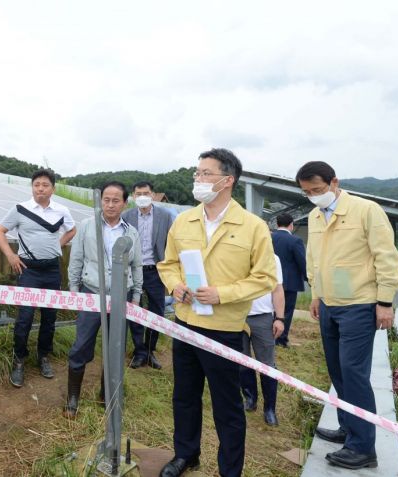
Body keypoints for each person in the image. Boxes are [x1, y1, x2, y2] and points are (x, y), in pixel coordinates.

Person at [157, 148, 276, 477]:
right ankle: (186, 454)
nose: (198, 179)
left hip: (224, 329)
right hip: (185, 323)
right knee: (184, 395)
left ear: (228, 180)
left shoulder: (252, 227)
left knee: (227, 406)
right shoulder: (184, 220)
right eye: (197, 174)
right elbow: (167, 264)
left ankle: (230, 469)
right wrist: (175, 286)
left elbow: (265, 278)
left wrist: (222, 294)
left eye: (205, 174)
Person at [296, 161, 398, 470]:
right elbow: (313, 258)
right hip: (330, 303)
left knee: (353, 373)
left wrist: (385, 301)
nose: (314, 196)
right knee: (337, 371)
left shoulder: (366, 210)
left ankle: (363, 447)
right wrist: (316, 294)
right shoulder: (315, 216)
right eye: (307, 192)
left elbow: (386, 256)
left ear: (334, 182)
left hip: (360, 303)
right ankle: (348, 425)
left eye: (317, 189)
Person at [63, 181, 142, 418]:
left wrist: (136, 295)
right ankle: (73, 397)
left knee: (115, 347)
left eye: (115, 200)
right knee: (81, 345)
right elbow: (76, 260)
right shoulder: (87, 227)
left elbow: (137, 265)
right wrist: (74, 291)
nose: (110, 204)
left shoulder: (131, 232)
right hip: (91, 293)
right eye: (106, 199)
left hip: (121, 296)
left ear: (124, 203)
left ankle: (107, 395)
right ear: (100, 201)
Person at [0, 169, 76, 387]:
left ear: (53, 188)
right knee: (25, 317)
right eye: (37, 184)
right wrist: (11, 255)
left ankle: (44, 357)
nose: (40, 188)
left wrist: (57, 245)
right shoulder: (21, 209)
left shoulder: (62, 210)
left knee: (49, 316)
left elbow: (72, 230)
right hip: (27, 270)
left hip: (51, 269)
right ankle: (19, 360)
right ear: (32, 187)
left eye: (45, 185)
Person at [122, 180, 174, 369]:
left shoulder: (165, 216)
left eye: (146, 193)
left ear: (153, 195)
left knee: (157, 311)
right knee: (134, 309)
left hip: (155, 270)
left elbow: (172, 243)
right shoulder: (126, 216)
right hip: (133, 269)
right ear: (133, 196)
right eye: (138, 193)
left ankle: (150, 349)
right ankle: (139, 350)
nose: (142, 197)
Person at [240, 255, 285, 426]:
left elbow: (277, 289)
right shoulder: (237, 253)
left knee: (267, 364)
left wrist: (280, 318)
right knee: (242, 361)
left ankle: (270, 409)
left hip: (263, 318)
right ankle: (250, 398)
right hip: (238, 316)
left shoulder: (272, 258)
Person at [271, 212, 307, 347]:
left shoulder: (270, 237)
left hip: (271, 280)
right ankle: (281, 339)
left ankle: (270, 336)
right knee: (286, 311)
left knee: (272, 309)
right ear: (291, 225)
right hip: (290, 282)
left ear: (277, 224)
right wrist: (308, 278)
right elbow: (301, 262)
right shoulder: (295, 240)